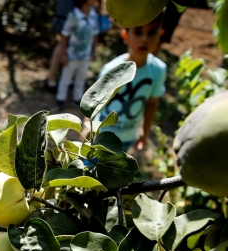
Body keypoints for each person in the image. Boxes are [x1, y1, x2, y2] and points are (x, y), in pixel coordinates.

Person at [95, 11, 166, 151]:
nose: (144, 39)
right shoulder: (110, 70)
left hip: (126, 139)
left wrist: (144, 135)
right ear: (125, 36)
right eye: (138, 32)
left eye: (151, 32)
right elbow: (95, 103)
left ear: (160, 35)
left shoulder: (159, 70)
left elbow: (152, 104)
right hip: (100, 138)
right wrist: (89, 129)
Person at [55, 0, 99, 109]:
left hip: (85, 56)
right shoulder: (73, 16)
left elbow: (94, 35)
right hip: (71, 56)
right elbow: (65, 35)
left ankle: (77, 99)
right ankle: (60, 99)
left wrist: (94, 51)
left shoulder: (94, 15)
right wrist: (63, 54)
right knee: (66, 79)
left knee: (81, 79)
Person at [45, 0, 74, 93]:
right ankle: (51, 79)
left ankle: (66, 78)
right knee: (62, 44)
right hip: (68, 11)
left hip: (73, 10)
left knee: (69, 44)